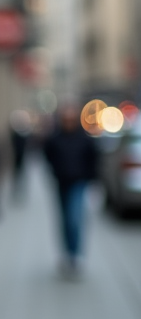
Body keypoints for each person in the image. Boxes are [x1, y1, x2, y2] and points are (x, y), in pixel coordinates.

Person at [43, 104, 99, 277]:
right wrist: (55, 171)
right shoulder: (55, 138)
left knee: (74, 218)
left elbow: (94, 159)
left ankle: (75, 254)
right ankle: (67, 253)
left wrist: (91, 178)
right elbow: (48, 154)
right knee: (65, 219)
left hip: (79, 182)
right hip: (62, 183)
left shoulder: (84, 139)